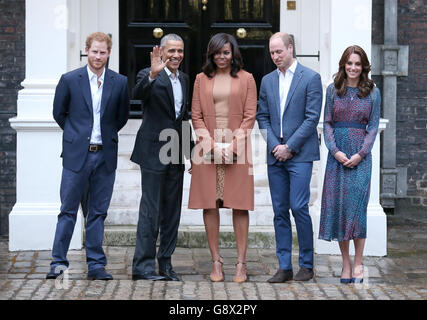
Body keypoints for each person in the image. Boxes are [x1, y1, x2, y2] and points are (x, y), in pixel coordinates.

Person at [47, 32, 129, 280]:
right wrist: (77, 137)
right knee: (68, 211)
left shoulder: (120, 82)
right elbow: (59, 113)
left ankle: (95, 265)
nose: (98, 56)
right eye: (94, 51)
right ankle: (58, 263)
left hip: (104, 156)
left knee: (97, 213)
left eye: (103, 52)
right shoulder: (70, 79)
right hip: (76, 156)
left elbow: (121, 117)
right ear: (87, 50)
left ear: (108, 53)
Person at [188, 33, 257, 283]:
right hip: (207, 149)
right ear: (211, 54)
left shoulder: (247, 79)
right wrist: (211, 145)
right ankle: (216, 260)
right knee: (210, 203)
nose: (221, 57)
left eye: (226, 52)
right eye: (217, 52)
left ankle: (241, 263)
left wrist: (233, 146)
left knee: (239, 204)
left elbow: (250, 116)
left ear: (233, 53)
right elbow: (196, 115)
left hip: (237, 147)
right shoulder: (200, 79)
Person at [257, 32, 323, 283]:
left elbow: (311, 117)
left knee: (298, 207)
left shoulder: (311, 78)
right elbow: (262, 117)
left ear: (290, 48)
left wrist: (290, 147)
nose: (275, 57)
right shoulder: (267, 81)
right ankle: (284, 266)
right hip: (275, 156)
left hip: (300, 155)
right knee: (279, 211)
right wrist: (275, 145)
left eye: (279, 52)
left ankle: (306, 264)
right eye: (272, 53)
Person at [130, 34, 193, 281]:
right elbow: (137, 95)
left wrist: (190, 154)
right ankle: (142, 267)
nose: (175, 55)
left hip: (176, 151)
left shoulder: (185, 79)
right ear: (161, 51)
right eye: (171, 51)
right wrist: (153, 75)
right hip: (153, 151)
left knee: (172, 212)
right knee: (151, 211)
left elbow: (182, 117)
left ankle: (165, 264)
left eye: (180, 51)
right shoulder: (148, 74)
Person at [318, 45, 381, 284]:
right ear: (343, 65)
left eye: (357, 64)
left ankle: (358, 262)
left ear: (363, 66)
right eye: (349, 63)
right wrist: (335, 151)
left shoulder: (373, 92)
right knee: (340, 210)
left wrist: (361, 153)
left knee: (357, 211)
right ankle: (345, 262)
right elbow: (327, 123)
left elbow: (373, 127)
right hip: (338, 158)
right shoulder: (333, 90)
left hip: (361, 159)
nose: (353, 68)